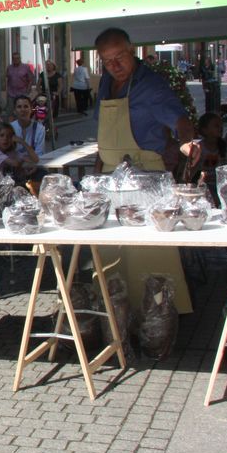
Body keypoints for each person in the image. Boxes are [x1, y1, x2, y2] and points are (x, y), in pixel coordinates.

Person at [93, 27, 195, 314]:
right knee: (110, 250)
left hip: (145, 178)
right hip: (110, 178)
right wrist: (98, 166)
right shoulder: (106, 82)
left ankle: (159, 315)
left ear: (132, 50)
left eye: (119, 57)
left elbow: (181, 121)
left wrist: (187, 142)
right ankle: (114, 315)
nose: (114, 66)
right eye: (107, 61)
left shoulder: (151, 85)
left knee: (148, 251)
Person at [178, 112, 226, 202]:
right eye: (216, 126)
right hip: (201, 188)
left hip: (221, 187)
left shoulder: (225, 147)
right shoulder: (198, 148)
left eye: (221, 125)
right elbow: (188, 175)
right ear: (204, 130)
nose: (220, 128)